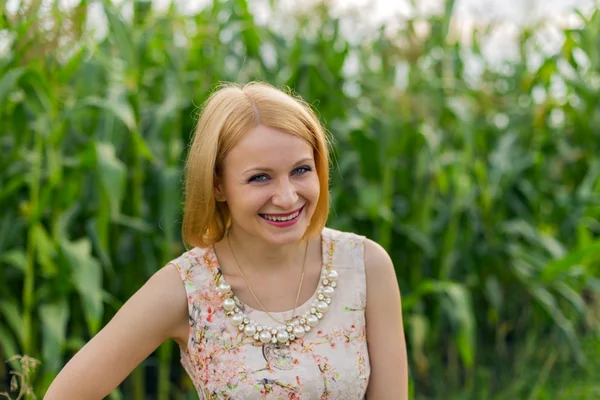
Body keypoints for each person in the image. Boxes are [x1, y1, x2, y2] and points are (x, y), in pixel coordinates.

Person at [44, 82, 408, 399]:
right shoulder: (189, 288)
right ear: (217, 185)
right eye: (259, 178)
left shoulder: (364, 265)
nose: (286, 196)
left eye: (300, 170)